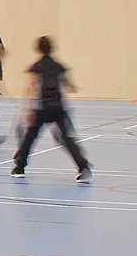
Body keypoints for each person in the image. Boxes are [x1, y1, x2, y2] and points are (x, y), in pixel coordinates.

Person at [12, 36, 89, 182]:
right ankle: (83, 168)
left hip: (42, 108)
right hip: (58, 107)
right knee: (67, 138)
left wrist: (29, 109)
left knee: (29, 137)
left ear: (38, 49)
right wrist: (73, 87)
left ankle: (19, 167)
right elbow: (70, 85)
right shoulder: (59, 66)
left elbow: (32, 87)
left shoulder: (37, 67)